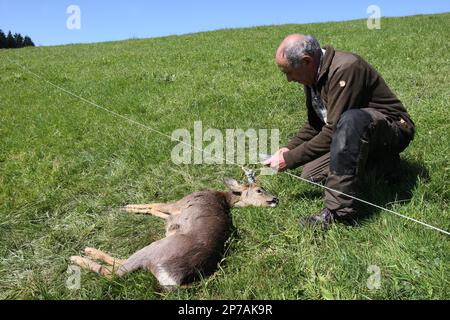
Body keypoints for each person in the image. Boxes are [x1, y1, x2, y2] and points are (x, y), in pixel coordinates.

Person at [264, 34, 415, 227]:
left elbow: (332, 130)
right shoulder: (312, 77)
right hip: (354, 131)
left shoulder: (346, 68)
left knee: (351, 120)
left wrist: (290, 159)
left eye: (289, 72)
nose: (288, 79)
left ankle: (339, 212)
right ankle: (379, 166)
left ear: (306, 61)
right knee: (311, 174)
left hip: (392, 130)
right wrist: (287, 149)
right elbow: (315, 123)